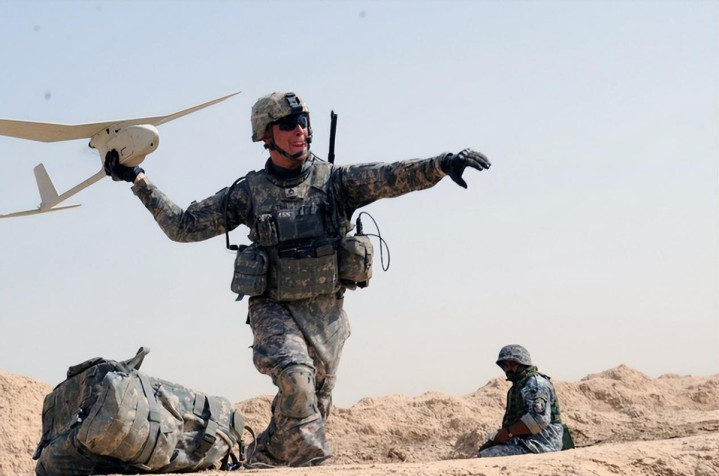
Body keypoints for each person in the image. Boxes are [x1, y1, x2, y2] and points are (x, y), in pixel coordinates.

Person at [103, 91, 491, 467]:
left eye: (303, 122)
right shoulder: (249, 193)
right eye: (288, 125)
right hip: (274, 308)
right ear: (266, 135)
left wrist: (442, 164)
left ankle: (261, 459)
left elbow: (392, 176)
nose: (300, 131)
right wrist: (138, 179)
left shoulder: (335, 182)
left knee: (309, 406)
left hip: (326, 316)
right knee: (296, 379)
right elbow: (184, 226)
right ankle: (314, 463)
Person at [477, 344, 570, 458]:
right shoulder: (519, 386)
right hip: (525, 441)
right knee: (486, 451)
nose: (508, 369)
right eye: (505, 365)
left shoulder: (535, 384)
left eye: (512, 364)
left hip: (542, 444)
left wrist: (508, 433)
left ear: (523, 364)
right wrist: (494, 440)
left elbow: (539, 420)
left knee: (487, 455)